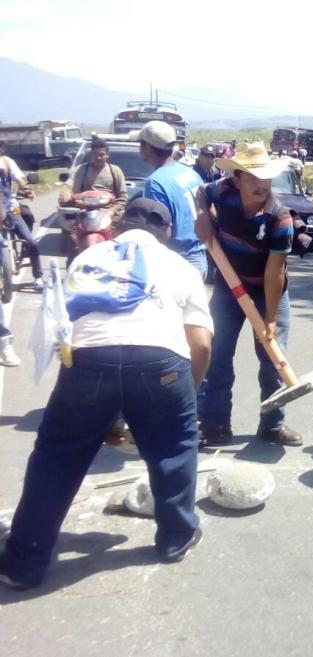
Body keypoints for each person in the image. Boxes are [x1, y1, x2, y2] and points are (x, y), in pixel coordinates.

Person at [0, 197, 213, 589]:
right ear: (165, 235)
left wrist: (97, 407)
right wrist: (185, 396)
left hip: (87, 361)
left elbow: (65, 328)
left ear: (116, 229)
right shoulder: (181, 267)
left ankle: (23, 562)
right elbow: (199, 344)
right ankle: (175, 537)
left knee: (57, 455)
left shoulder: (88, 257)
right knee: (174, 445)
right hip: (160, 363)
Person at [195, 141, 302, 447]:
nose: (261, 185)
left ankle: (272, 425)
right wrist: (203, 215)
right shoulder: (223, 191)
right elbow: (200, 193)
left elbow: (274, 273)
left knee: (272, 359)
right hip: (229, 290)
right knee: (217, 356)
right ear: (237, 179)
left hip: (268, 292)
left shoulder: (279, 219)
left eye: (265, 178)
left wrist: (269, 319)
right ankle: (215, 425)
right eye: (253, 177)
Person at [134, 121, 207, 279]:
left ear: (148, 147)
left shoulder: (155, 183)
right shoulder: (191, 174)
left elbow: (161, 231)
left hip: (178, 261)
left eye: (141, 143)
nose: (139, 147)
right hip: (200, 256)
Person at [0, 141, 44, 287]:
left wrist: (26, 189)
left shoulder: (7, 163)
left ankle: (38, 276)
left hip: (11, 209)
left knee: (30, 241)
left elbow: (20, 180)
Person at [67, 136, 128, 222]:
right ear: (91, 154)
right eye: (95, 154)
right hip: (86, 213)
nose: (98, 157)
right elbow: (75, 195)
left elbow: (123, 197)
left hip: (109, 214)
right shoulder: (81, 170)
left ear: (107, 155)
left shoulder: (115, 171)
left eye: (102, 154)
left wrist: (112, 210)